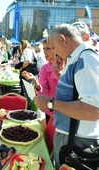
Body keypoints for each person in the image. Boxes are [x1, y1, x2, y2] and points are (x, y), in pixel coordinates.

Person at [34, 23, 99, 170]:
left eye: (54, 47)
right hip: (72, 138)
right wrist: (60, 75)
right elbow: (76, 94)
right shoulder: (77, 58)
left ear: (62, 39)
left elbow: (94, 110)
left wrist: (51, 103)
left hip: (78, 141)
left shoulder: (86, 59)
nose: (54, 53)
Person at [22, 39, 58, 122]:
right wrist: (35, 81)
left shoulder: (67, 65)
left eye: (48, 49)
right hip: (51, 108)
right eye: (44, 48)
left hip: (66, 109)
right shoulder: (44, 68)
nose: (45, 52)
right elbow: (44, 91)